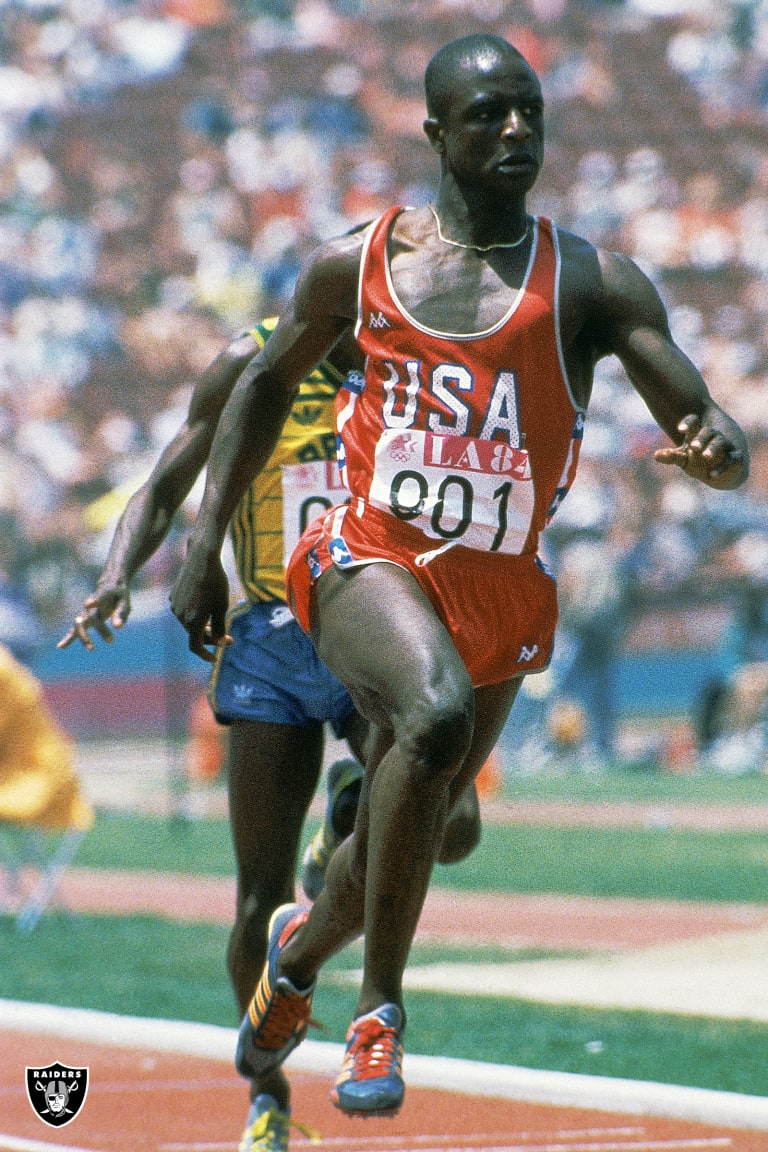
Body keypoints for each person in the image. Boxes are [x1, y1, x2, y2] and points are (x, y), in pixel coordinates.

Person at [169, 33, 749, 1123]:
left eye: (529, 110)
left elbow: (704, 418)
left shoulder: (592, 280)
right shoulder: (360, 264)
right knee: (430, 725)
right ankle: (377, 1012)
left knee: (410, 822)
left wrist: (718, 447)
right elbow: (257, 387)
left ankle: (298, 957)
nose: (516, 130)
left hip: (499, 586)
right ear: (435, 132)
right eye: (488, 114)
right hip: (365, 556)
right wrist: (202, 548)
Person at [58, 317, 481, 1152]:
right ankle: (269, 1095)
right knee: (259, 894)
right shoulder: (251, 366)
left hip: (371, 623)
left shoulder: (410, 370)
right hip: (271, 641)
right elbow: (165, 480)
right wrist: (115, 579)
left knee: (456, 826)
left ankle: (348, 828)